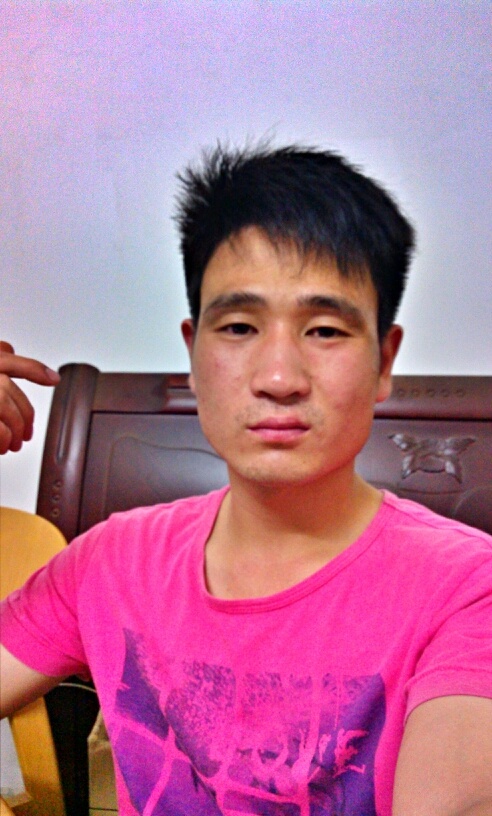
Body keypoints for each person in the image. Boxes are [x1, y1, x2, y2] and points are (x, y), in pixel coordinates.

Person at [1, 144, 491, 816]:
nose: (279, 378)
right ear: (193, 351)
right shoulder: (112, 561)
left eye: (325, 330)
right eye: (238, 326)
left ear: (384, 361)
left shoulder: (468, 589)